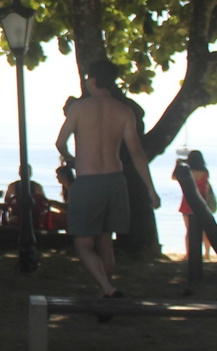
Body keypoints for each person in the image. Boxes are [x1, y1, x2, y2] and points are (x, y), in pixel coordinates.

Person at [55, 59, 160, 297]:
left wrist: (71, 158)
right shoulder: (124, 111)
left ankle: (107, 288)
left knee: (83, 245)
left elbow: (60, 143)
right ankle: (106, 294)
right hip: (115, 181)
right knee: (106, 242)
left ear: (92, 80)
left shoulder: (79, 108)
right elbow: (136, 153)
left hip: (88, 181)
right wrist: (151, 190)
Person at [173, 150, 217, 259]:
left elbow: (174, 177)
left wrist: (177, 165)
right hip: (202, 202)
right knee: (205, 230)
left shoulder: (188, 171)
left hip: (187, 202)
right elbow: (206, 188)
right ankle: (207, 254)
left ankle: (189, 254)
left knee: (189, 231)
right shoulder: (205, 172)